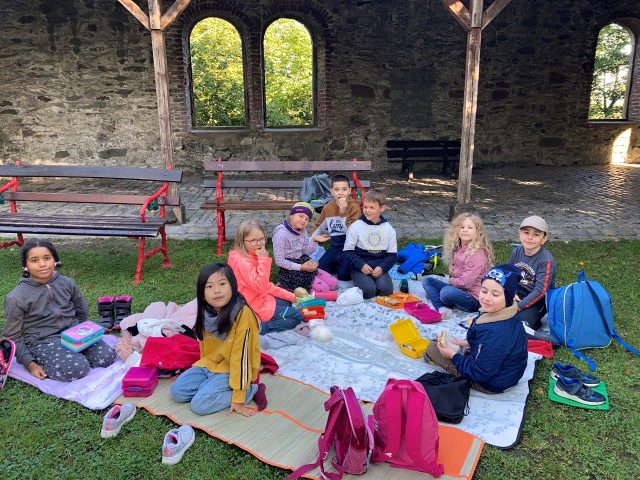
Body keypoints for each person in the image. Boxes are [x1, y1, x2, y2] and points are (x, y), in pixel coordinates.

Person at [3, 239, 116, 382]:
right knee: (77, 368)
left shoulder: (67, 283)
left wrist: (83, 333)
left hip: (73, 334)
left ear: (55, 260)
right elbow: (12, 336)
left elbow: (81, 309)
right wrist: (30, 364)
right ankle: (47, 359)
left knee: (107, 357)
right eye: (34, 260)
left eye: (47, 258)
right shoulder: (16, 297)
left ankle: (74, 354)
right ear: (25, 265)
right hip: (42, 342)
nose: (42, 264)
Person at [170, 263, 267, 416]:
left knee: (199, 405)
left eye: (222, 284)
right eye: (209, 286)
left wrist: (238, 397)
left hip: (232, 369)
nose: (217, 290)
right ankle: (210, 387)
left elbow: (241, 358)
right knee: (177, 392)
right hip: (209, 365)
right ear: (202, 294)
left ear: (233, 286)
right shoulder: (205, 311)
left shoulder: (243, 314)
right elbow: (204, 345)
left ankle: (250, 389)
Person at [424, 264, 528, 394]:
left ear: (507, 297)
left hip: (491, 383)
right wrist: (466, 343)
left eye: (495, 294)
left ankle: (434, 356)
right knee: (445, 342)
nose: (487, 298)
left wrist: (453, 356)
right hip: (506, 373)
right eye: (484, 291)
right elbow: (491, 347)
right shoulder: (508, 313)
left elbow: (479, 373)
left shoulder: (496, 333)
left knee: (433, 347)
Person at [228, 219, 303, 334]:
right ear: (242, 242)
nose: (259, 243)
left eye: (262, 239)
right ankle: (260, 327)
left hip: (258, 299)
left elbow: (267, 286)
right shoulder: (242, 262)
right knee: (297, 316)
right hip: (250, 308)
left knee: (287, 302)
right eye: (253, 240)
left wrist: (292, 297)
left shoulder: (250, 255)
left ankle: (269, 318)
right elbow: (261, 287)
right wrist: (263, 260)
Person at [422, 213, 493, 319]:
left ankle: (442, 299)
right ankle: (442, 308)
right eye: (462, 227)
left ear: (478, 232)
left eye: (470, 227)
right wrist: (453, 274)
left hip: (474, 299)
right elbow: (457, 272)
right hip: (459, 289)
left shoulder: (477, 254)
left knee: (446, 292)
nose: (465, 230)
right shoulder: (459, 247)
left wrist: (451, 281)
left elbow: (466, 283)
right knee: (428, 281)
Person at [341, 189, 397, 299]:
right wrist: (360, 265)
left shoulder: (389, 229)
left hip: (379, 266)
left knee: (386, 291)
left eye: (372, 207)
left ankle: (375, 280)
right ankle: (355, 276)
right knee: (368, 291)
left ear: (382, 208)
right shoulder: (356, 226)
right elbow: (347, 252)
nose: (367, 210)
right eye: (365, 207)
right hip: (360, 266)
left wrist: (382, 268)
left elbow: (392, 255)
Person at [272, 202, 337, 292]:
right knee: (323, 289)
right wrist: (301, 267)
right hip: (289, 270)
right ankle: (287, 285)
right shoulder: (281, 234)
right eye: (301, 216)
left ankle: (302, 287)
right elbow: (279, 261)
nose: (303, 221)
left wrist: (314, 241)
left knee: (334, 284)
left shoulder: (303, 230)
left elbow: (305, 252)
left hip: (303, 262)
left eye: (307, 219)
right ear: (291, 216)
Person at [510, 215, 556, 330]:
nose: (530, 237)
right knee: (493, 310)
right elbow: (510, 275)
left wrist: (519, 306)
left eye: (536, 234)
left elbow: (540, 291)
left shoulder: (546, 260)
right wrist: (512, 293)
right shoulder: (517, 252)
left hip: (537, 300)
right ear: (520, 234)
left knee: (519, 325)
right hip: (518, 293)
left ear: (544, 239)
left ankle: (536, 322)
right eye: (526, 233)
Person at [311, 175, 361, 280]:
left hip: (350, 247)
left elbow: (353, 232)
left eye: (344, 189)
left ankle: (345, 264)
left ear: (349, 191)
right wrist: (309, 239)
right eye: (336, 190)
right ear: (332, 192)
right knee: (320, 271)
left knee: (343, 276)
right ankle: (337, 263)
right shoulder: (328, 207)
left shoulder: (354, 207)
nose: (340, 193)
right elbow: (319, 225)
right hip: (335, 246)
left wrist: (343, 213)